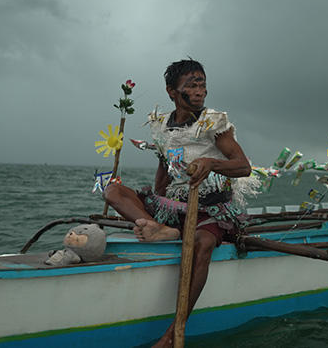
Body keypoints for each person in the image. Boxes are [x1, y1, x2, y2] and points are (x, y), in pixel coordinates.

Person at [103, 59, 253, 347]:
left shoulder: (214, 124)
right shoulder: (162, 125)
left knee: (203, 244)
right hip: (174, 207)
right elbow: (163, 164)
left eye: (202, 85)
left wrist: (211, 163)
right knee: (113, 192)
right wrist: (153, 204)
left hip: (211, 208)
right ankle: (163, 228)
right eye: (191, 86)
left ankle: (174, 331)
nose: (199, 92)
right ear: (172, 92)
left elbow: (243, 166)